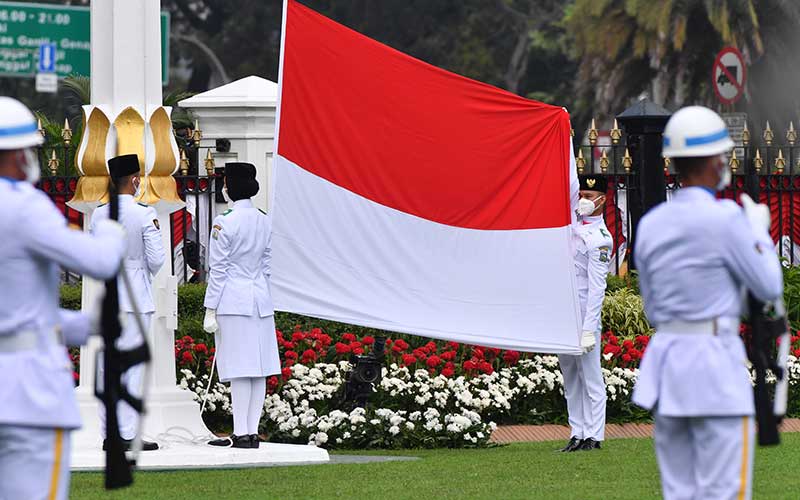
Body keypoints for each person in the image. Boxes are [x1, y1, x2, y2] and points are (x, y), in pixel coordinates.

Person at [632, 106, 783, 499]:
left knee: (679, 493)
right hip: (715, 370)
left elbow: (650, 305)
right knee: (725, 492)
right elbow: (768, 286)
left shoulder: (651, 223)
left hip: (668, 367)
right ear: (717, 161)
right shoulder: (727, 219)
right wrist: (759, 233)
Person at [0, 97, 126, 500]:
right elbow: (101, 263)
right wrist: (111, 227)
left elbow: (18, 307)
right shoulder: (23, 206)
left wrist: (83, 325)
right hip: (26, 394)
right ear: (19, 154)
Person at [203, 162, 281, 449]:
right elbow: (268, 265)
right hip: (260, 300)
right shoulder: (264, 219)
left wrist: (210, 307)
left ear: (229, 188)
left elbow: (218, 269)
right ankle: (251, 432)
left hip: (233, 301)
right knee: (258, 368)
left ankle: (240, 432)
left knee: (239, 368)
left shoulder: (225, 220)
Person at [92, 154, 164, 452]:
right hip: (135, 298)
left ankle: (110, 433)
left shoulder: (98, 214)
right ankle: (127, 433)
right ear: (134, 180)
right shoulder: (144, 213)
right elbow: (158, 259)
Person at [557, 174, 613, 452]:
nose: (584, 200)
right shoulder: (573, 225)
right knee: (570, 375)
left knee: (590, 375)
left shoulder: (601, 239)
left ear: (603, 200)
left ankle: (595, 435)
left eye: (590, 197)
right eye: (583, 195)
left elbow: (596, 288)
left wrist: (590, 327)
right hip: (565, 312)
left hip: (583, 314)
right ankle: (577, 431)